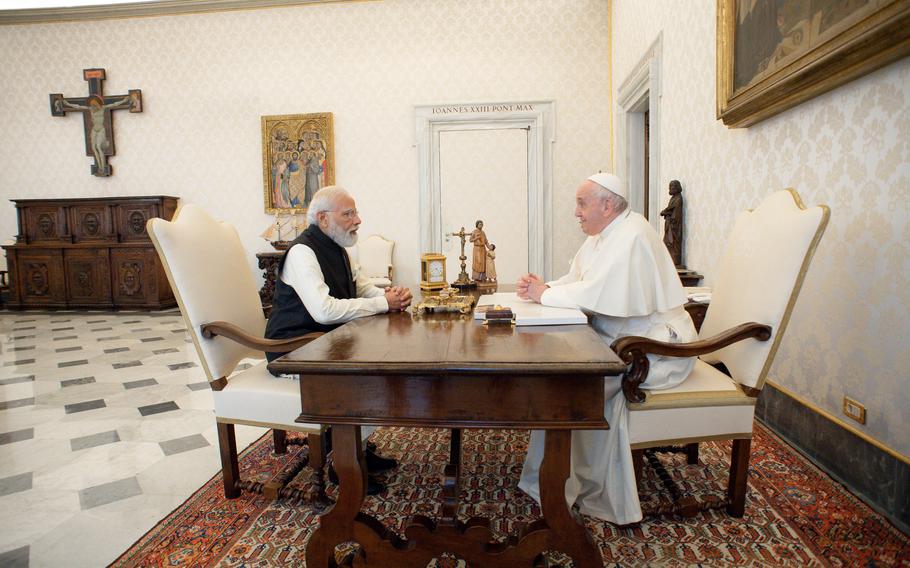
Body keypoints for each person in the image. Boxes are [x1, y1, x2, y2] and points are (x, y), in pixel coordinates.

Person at [515, 172, 697, 526]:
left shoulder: (632, 235)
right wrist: (546, 285)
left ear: (607, 204)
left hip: (654, 350)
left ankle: (573, 487)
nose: (576, 212)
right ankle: (553, 479)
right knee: (561, 377)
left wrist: (544, 295)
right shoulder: (605, 234)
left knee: (571, 388)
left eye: (582, 204)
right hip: (621, 342)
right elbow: (582, 280)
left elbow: (598, 295)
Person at [265, 185, 412, 494]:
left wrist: (389, 296)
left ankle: (358, 447)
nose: (357, 219)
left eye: (355, 212)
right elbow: (324, 311)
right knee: (373, 377)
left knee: (387, 361)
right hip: (294, 350)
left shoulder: (338, 248)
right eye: (349, 213)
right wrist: (383, 304)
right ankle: (343, 463)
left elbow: (361, 287)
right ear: (323, 218)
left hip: (325, 344)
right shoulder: (303, 253)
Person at [660, 179, 684, 267]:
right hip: (669, 225)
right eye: (670, 186)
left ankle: (675, 260)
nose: (670, 188)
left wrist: (665, 212)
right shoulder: (673, 198)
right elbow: (669, 209)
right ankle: (670, 259)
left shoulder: (678, 198)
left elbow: (673, 211)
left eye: (672, 186)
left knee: (672, 243)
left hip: (674, 226)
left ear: (677, 187)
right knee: (667, 243)